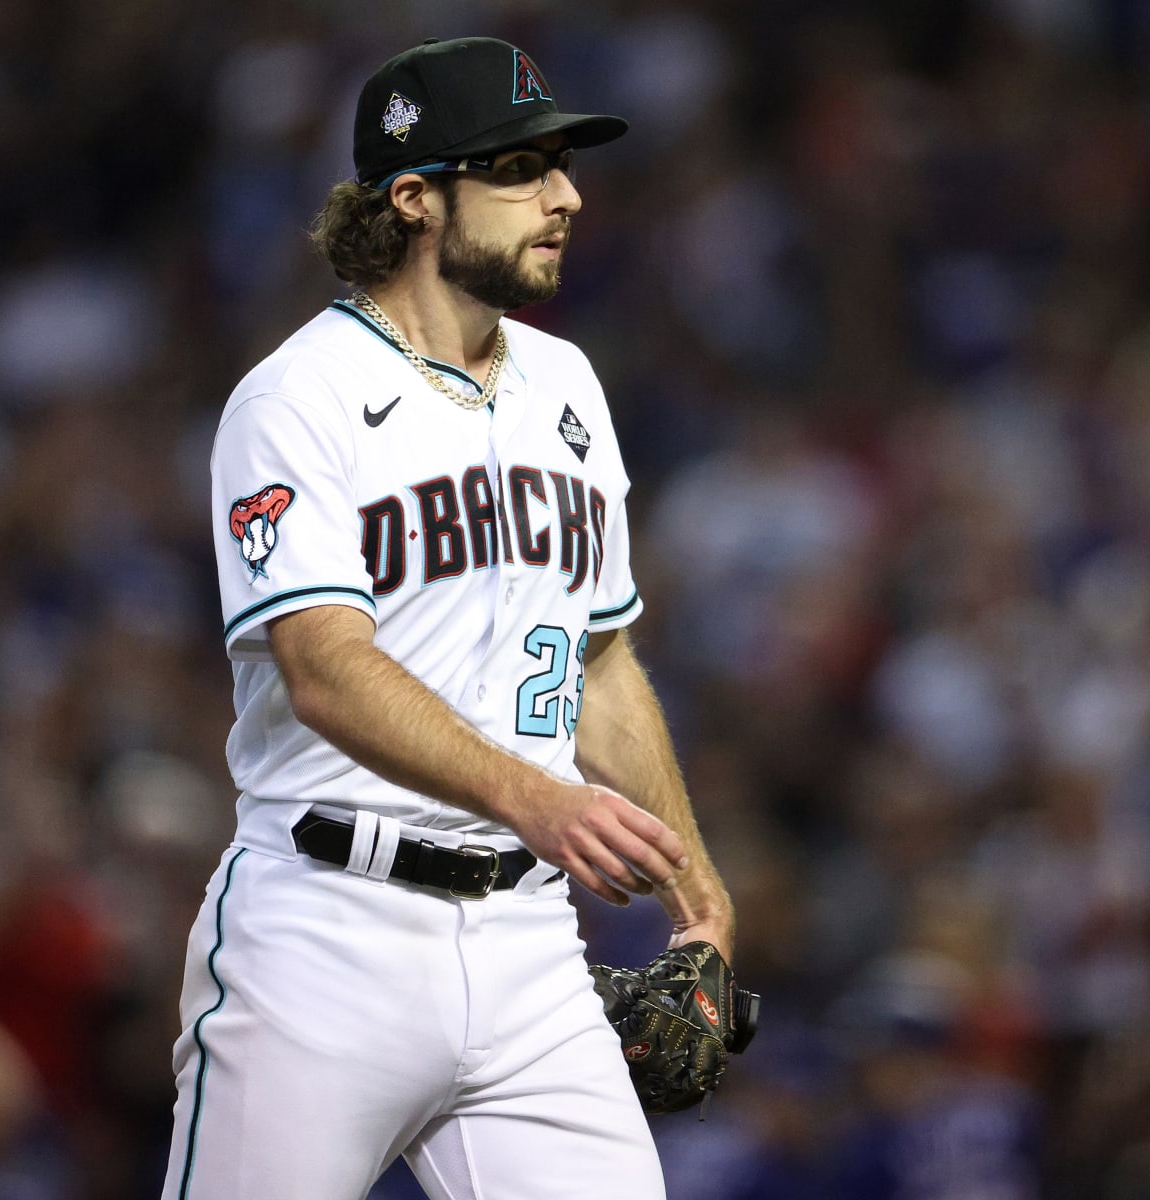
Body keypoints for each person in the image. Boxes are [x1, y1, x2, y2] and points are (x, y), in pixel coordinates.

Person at [163, 36, 735, 1200]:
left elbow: (601, 662)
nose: (566, 195)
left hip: (530, 949)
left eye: (561, 166)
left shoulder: (568, 385)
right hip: (325, 929)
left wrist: (698, 890)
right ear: (416, 198)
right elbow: (323, 670)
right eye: (522, 167)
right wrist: (538, 798)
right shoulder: (295, 398)